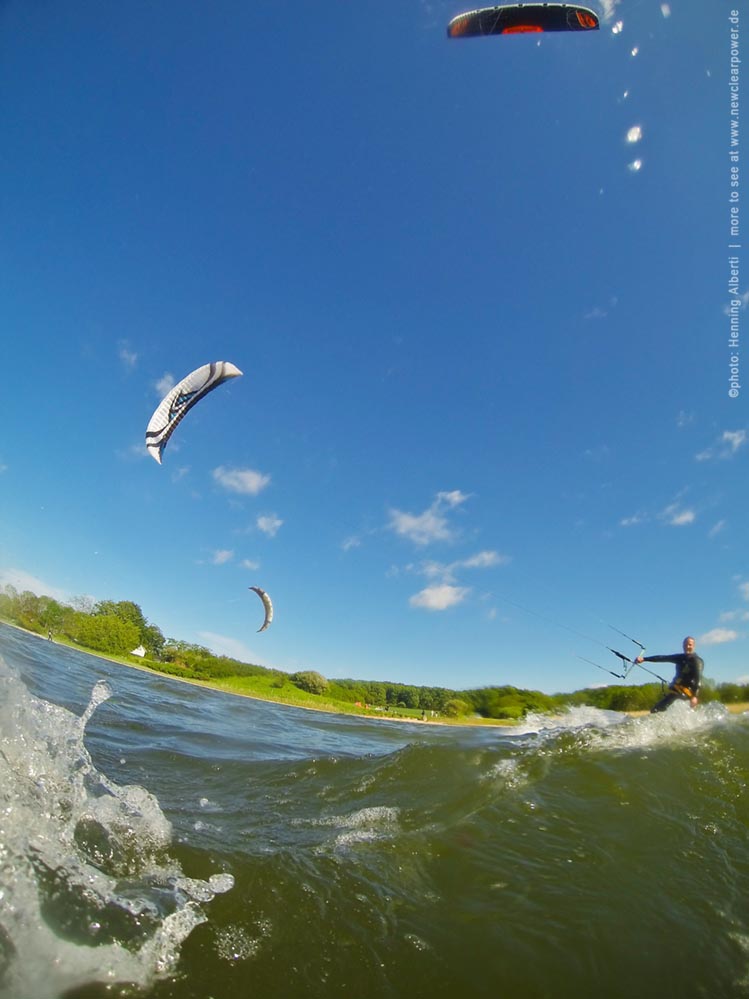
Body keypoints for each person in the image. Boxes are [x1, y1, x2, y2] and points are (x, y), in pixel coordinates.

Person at [635, 636, 703, 713]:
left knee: (657, 710)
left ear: (694, 646)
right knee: (656, 710)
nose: (687, 647)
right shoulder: (680, 657)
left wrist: (694, 696)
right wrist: (644, 659)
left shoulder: (696, 661)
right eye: (685, 645)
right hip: (677, 692)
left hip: (688, 694)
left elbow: (698, 679)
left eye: (690, 645)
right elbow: (663, 658)